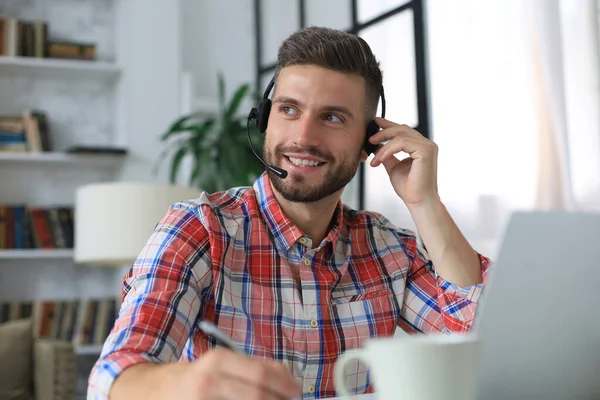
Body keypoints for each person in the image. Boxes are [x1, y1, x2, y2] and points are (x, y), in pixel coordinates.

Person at [88, 26, 491, 400]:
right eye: (289, 110)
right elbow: (113, 377)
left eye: (332, 117)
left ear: (370, 140)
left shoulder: (388, 249)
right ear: (266, 119)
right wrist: (181, 383)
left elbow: (480, 343)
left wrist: (425, 203)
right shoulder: (200, 229)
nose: (303, 137)